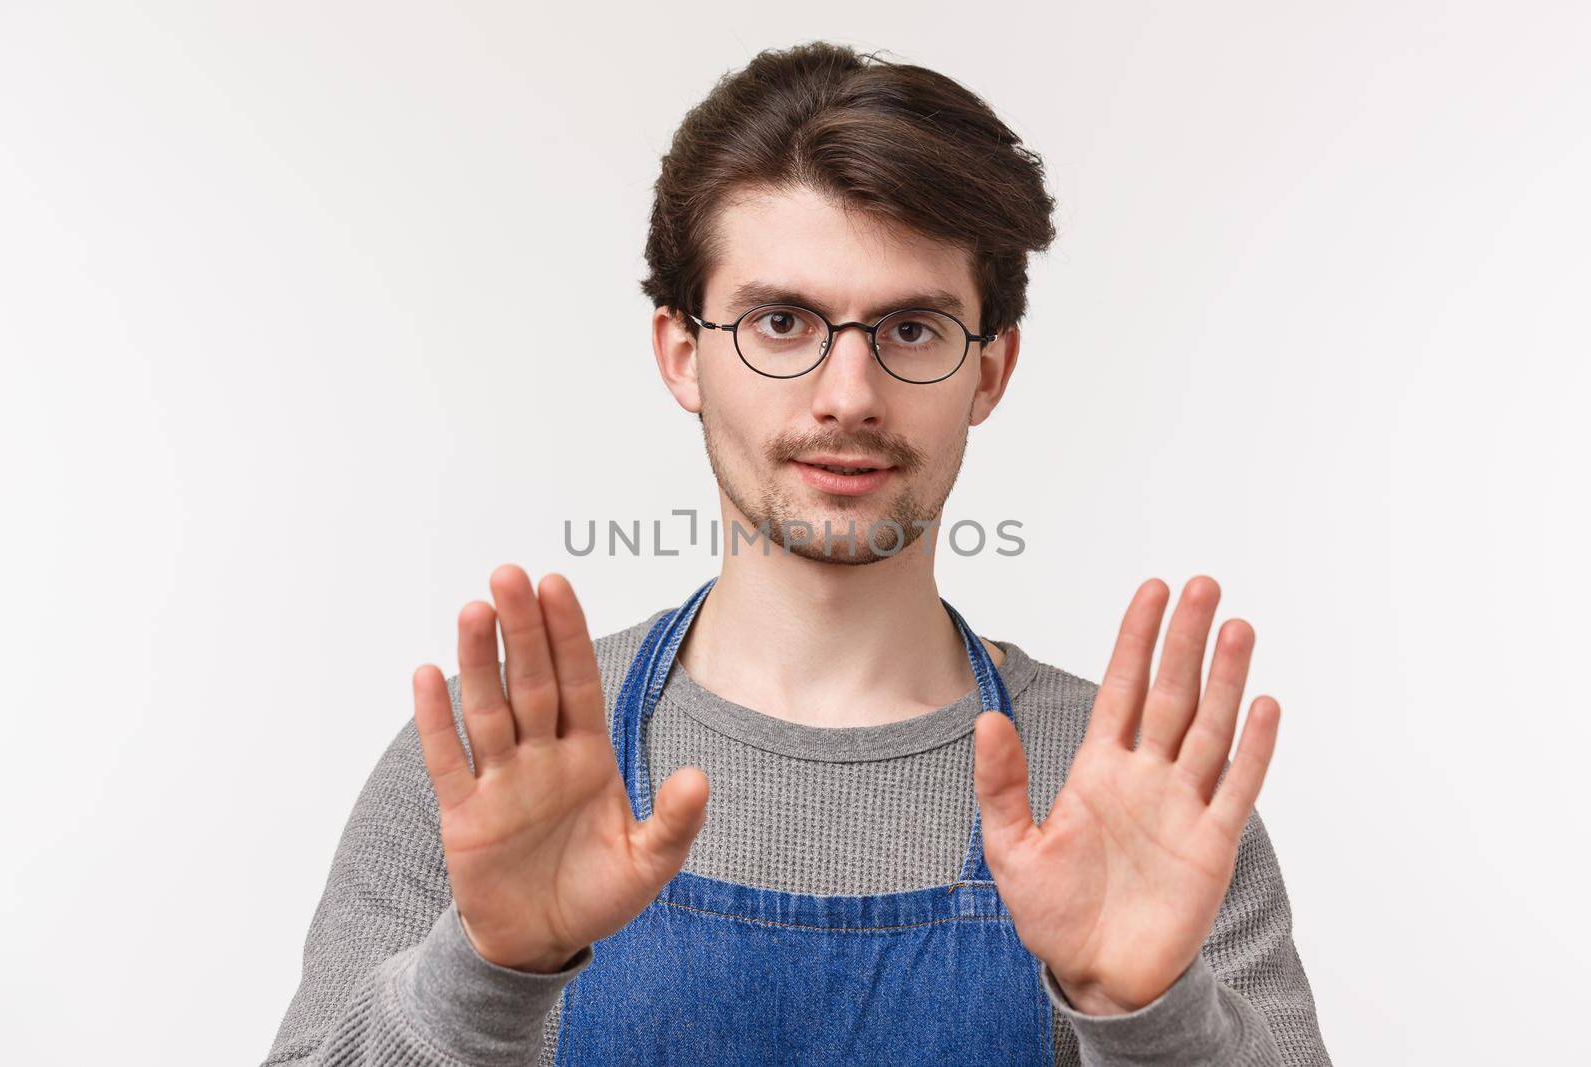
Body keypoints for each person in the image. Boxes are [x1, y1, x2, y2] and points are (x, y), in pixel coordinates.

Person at [263, 41, 1330, 1066]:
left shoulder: (1141, 791)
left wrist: (1148, 1015)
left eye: (913, 329)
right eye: (782, 321)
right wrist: (486, 972)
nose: (847, 396)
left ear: (991, 370)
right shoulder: (490, 763)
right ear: (684, 355)